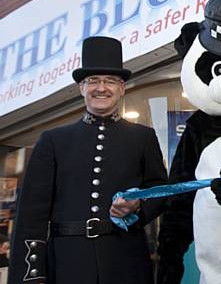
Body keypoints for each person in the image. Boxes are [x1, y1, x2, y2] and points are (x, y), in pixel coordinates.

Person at [8, 36, 167, 284]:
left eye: (110, 81)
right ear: (81, 87)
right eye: (92, 80)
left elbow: (160, 192)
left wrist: (138, 207)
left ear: (122, 88)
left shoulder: (143, 137)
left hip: (127, 261)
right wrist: (32, 275)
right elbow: (30, 216)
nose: (101, 88)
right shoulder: (52, 140)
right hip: (67, 263)